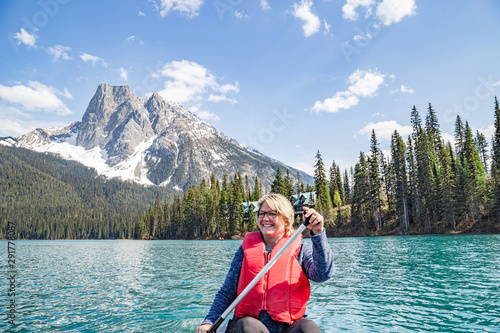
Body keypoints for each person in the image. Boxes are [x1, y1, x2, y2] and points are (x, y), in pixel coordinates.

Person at [195, 193, 335, 333]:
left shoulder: (301, 249)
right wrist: (209, 323)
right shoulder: (246, 250)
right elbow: (227, 293)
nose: (265, 218)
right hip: (249, 325)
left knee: (307, 329)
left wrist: (318, 232)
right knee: (247, 327)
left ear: (286, 220)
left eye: (272, 214)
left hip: (287, 326)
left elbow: (323, 274)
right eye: (262, 214)